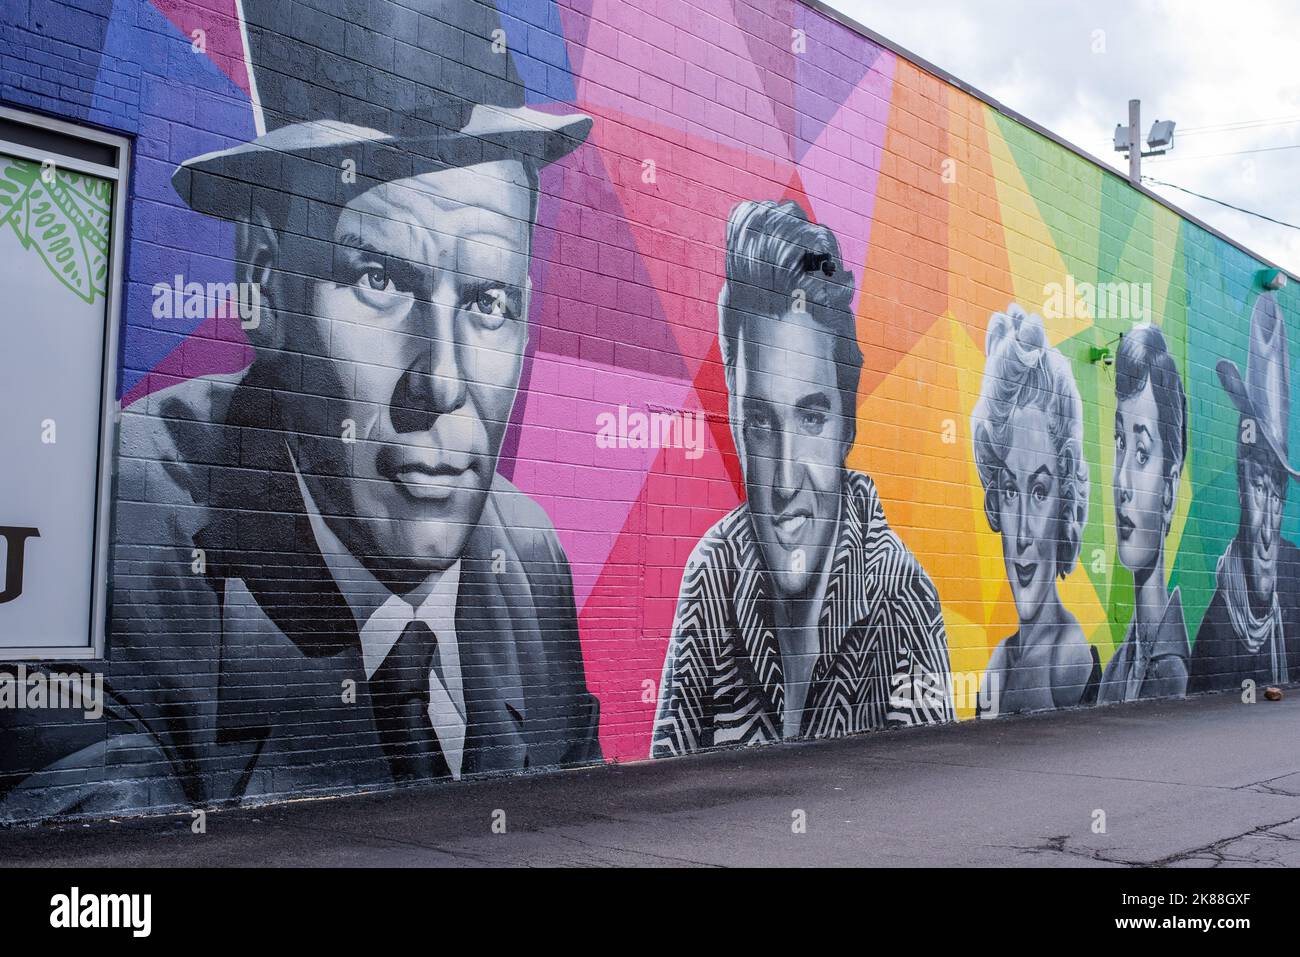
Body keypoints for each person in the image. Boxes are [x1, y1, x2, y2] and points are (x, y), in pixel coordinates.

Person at [0, 0, 600, 820]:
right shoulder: (103, 539)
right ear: (262, 285)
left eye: (490, 301)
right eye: (381, 281)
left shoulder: (527, 564)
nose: (444, 381)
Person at [650, 199, 953, 758]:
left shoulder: (898, 594)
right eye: (761, 422)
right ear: (736, 426)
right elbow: (665, 774)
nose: (787, 478)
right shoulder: (714, 573)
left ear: (847, 426)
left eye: (811, 418)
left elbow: (927, 800)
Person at [971, 305, 1098, 717]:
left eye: (1040, 491)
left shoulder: (1068, 663)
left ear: (1067, 504)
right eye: (1010, 490)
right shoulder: (998, 665)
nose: (1023, 532)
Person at [1190, 294, 1300, 693]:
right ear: (1240, 488)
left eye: (1277, 494)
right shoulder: (1214, 633)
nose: (1268, 526)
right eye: (1258, 487)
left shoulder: (1295, 571)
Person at [1098, 325, 1190, 702]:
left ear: (1169, 490)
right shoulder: (1118, 667)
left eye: (1141, 452)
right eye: (1120, 442)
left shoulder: (1173, 675)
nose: (1122, 480)